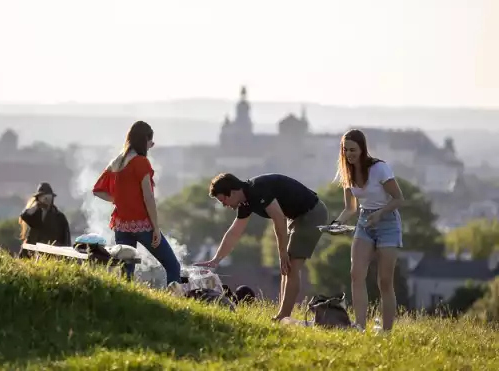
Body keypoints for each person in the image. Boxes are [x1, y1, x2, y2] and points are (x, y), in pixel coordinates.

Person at [194, 172, 329, 322]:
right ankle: (282, 314)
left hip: (311, 214)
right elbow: (234, 232)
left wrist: (282, 252)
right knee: (286, 269)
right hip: (297, 217)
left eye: (223, 200)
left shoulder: (257, 190)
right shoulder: (245, 202)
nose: (225, 205)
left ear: (232, 192)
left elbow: (279, 219)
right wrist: (216, 259)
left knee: (291, 266)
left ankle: (283, 316)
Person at [92, 120, 181, 285]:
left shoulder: (116, 162)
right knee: (173, 266)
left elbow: (97, 190)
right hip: (142, 224)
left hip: (121, 225)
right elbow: (148, 197)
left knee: (126, 273)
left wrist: (119, 200)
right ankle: (176, 301)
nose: (151, 146)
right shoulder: (141, 162)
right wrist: (155, 227)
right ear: (143, 140)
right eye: (150, 141)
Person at [333, 129, 404, 332]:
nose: (349, 154)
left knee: (384, 280)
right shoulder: (347, 172)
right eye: (345, 150)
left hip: (387, 222)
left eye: (353, 149)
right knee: (356, 274)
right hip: (365, 222)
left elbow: (399, 199)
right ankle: (360, 326)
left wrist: (380, 214)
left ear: (363, 149)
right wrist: (336, 223)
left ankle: (387, 331)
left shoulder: (379, 168)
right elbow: (351, 208)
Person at [18, 182, 72, 258]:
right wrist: (37, 206)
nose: (46, 199)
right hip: (32, 252)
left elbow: (66, 240)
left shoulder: (60, 217)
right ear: (38, 198)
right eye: (42, 196)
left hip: (52, 255)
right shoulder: (35, 214)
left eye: (47, 197)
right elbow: (24, 215)